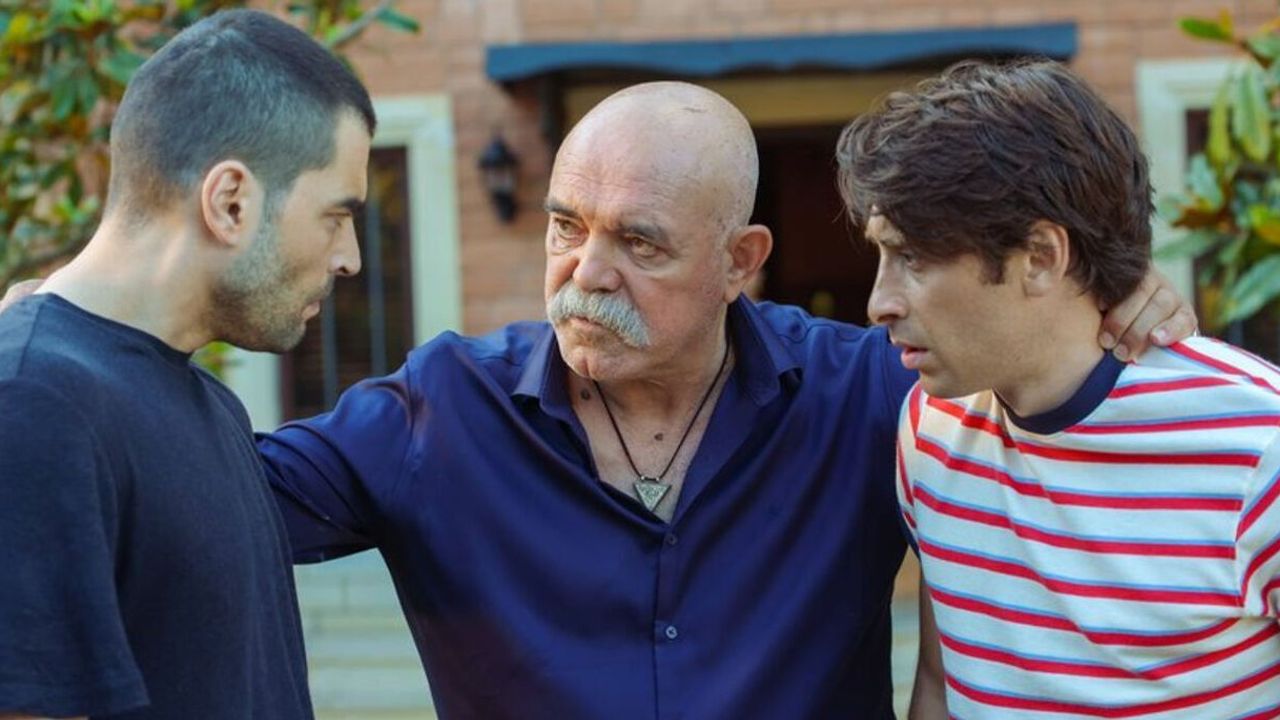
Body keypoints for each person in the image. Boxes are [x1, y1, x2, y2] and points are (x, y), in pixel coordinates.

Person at [258, 80, 1194, 719]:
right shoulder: (444, 408)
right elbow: (215, 496)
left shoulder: (872, 394)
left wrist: (1104, 298)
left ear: (740, 261)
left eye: (640, 243)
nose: (588, 273)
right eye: (566, 227)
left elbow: (1054, 396)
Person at [842, 58, 1280, 718]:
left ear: (1043, 256)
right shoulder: (931, 428)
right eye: (881, 254)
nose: (880, 302)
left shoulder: (1259, 447)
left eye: (913, 257)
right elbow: (939, 686)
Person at [0, 9, 373, 719]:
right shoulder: (32, 406)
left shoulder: (209, 402)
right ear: (230, 202)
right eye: (335, 216)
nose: (349, 257)